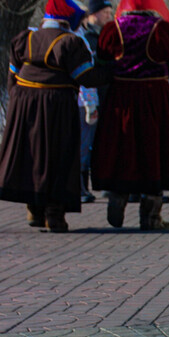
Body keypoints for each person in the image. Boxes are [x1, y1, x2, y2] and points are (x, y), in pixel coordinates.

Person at [0, 0, 110, 232]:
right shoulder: (69, 42)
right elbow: (86, 77)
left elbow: (12, 76)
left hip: (23, 105)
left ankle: (34, 207)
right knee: (57, 156)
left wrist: (17, 104)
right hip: (56, 107)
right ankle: (54, 213)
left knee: (30, 155)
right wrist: (110, 70)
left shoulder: (24, 39)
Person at [91, 0, 169, 230]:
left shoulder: (111, 30)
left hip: (120, 97)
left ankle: (118, 195)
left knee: (122, 147)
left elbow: (102, 64)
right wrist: (161, 81)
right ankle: (151, 215)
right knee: (154, 150)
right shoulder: (161, 29)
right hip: (154, 97)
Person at [77, 0, 114, 204]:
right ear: (93, 14)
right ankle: (81, 185)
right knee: (84, 143)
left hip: (103, 96)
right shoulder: (85, 38)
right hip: (87, 97)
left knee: (101, 142)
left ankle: (102, 183)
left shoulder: (103, 36)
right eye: (105, 12)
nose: (109, 16)